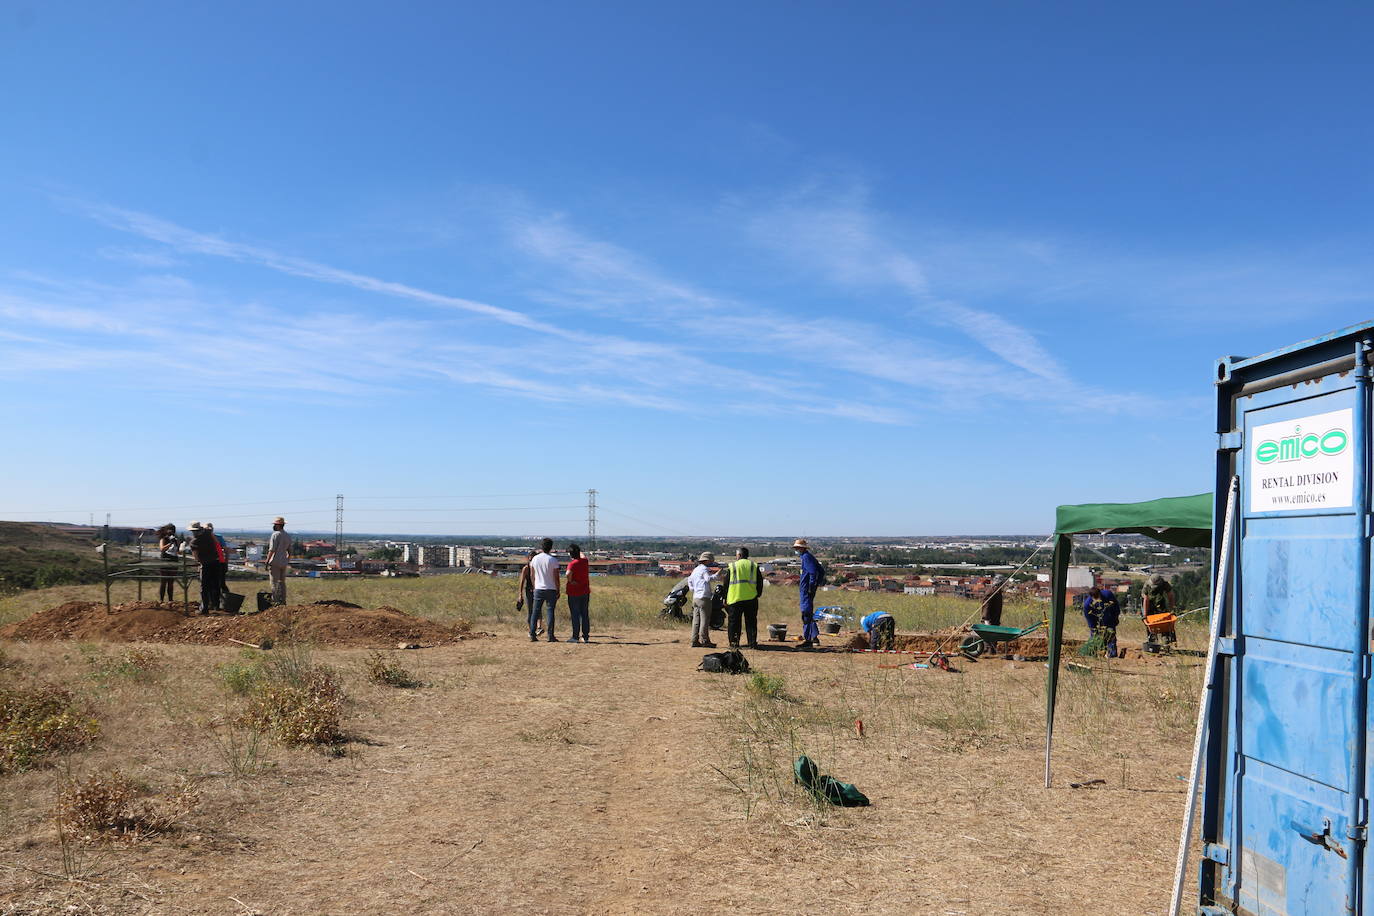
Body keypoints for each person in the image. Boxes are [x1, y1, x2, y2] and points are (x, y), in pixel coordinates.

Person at [724, 547, 764, 651]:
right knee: (751, 622)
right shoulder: (753, 566)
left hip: (735, 598)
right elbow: (760, 581)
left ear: (739, 555)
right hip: (751, 598)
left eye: (736, 555)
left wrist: (724, 598)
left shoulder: (733, 566)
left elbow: (726, 583)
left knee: (734, 623)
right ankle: (752, 643)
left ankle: (734, 643)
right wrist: (758, 594)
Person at [793, 539, 824, 649]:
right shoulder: (806, 557)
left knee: (806, 614)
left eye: (797, 548)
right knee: (807, 613)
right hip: (806, 589)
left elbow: (813, 572)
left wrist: (812, 587)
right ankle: (813, 637)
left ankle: (809, 640)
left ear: (802, 548)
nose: (796, 550)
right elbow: (821, 571)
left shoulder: (806, 557)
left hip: (806, 590)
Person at [530, 537, 560, 642]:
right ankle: (550, 635)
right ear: (551, 547)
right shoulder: (553, 560)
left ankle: (532, 634)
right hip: (551, 588)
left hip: (538, 588)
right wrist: (558, 589)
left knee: (535, 612)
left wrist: (534, 586)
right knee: (550, 611)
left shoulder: (535, 559)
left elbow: (532, 575)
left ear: (541, 547)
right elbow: (556, 577)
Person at [188, 521, 222, 615]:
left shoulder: (194, 542)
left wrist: (200, 563)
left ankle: (205, 608)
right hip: (215, 561)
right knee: (215, 584)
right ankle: (216, 606)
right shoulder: (208, 533)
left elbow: (196, 557)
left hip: (205, 564)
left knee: (204, 586)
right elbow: (217, 542)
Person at [687, 552, 719, 648]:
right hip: (704, 597)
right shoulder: (705, 569)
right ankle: (705, 640)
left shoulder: (695, 570)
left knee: (696, 620)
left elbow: (689, 580)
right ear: (707, 560)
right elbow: (708, 579)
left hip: (696, 597)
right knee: (705, 620)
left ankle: (694, 640)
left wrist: (693, 589)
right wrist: (717, 574)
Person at [1082, 585, 1121, 658]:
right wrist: (1094, 629)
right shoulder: (1087, 605)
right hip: (1096, 622)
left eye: (1098, 597)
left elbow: (1116, 607)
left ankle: (1111, 655)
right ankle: (1092, 653)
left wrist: (1116, 618)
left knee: (1111, 637)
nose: (1097, 599)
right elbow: (1089, 619)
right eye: (1095, 598)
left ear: (1100, 593)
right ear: (1091, 597)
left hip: (1109, 620)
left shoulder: (1108, 595)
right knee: (1095, 637)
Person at [565, 543, 591, 644]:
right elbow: (583, 555)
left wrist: (571, 581)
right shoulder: (584, 561)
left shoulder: (572, 564)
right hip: (585, 591)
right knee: (584, 614)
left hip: (574, 592)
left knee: (575, 614)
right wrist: (577, 550)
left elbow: (568, 574)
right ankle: (585, 636)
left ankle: (575, 636)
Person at [266, 517, 291, 607]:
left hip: (275, 561)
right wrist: (287, 560)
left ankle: (276, 602)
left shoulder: (275, 535)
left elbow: (272, 550)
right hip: (283, 562)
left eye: (275, 524)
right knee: (282, 582)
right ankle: (283, 601)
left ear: (278, 525)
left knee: (274, 583)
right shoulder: (287, 535)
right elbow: (289, 551)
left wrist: (267, 561)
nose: (274, 526)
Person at [516, 550, 540, 635]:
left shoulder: (538, 567)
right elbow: (522, 582)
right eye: (531, 557)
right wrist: (520, 595)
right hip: (529, 591)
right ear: (529, 558)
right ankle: (531, 630)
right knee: (531, 611)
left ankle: (539, 628)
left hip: (537, 590)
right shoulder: (526, 568)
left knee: (538, 609)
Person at [206, 522, 231, 602]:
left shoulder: (218, 537)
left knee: (221, 583)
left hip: (220, 563)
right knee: (209, 584)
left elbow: (226, 550)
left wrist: (226, 563)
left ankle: (227, 602)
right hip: (209, 563)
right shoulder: (204, 539)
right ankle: (212, 602)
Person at [156, 523, 178, 603]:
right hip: (165, 562)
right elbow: (162, 549)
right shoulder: (163, 539)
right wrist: (169, 543)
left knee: (171, 582)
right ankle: (161, 600)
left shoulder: (175, 539)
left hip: (174, 562)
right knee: (163, 582)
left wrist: (177, 543)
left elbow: (178, 551)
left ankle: (170, 600)